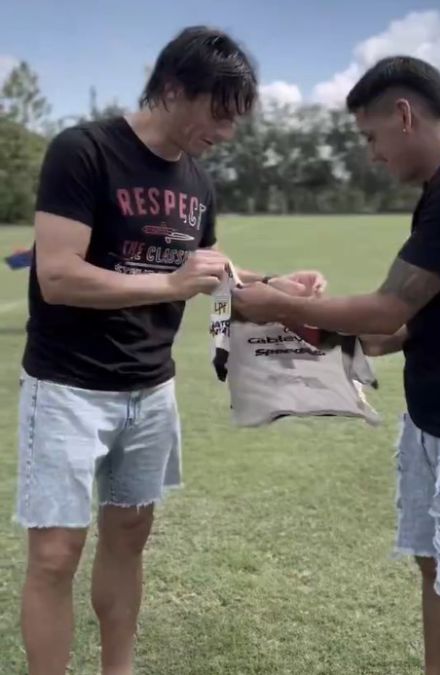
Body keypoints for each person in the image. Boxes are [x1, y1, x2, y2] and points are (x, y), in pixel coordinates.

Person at [231, 55, 440, 675]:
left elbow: (386, 310)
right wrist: (297, 317)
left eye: (370, 137)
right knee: (437, 569)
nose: (372, 155)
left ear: (403, 115)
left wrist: (273, 301)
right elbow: (401, 327)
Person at [16, 27, 324, 675]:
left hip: (150, 391)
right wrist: (168, 283)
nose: (226, 133)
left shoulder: (197, 183)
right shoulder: (85, 152)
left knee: (128, 537)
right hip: (68, 388)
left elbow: (208, 275)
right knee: (53, 553)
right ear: (175, 89)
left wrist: (272, 287)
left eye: (236, 121)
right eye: (219, 114)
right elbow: (58, 275)